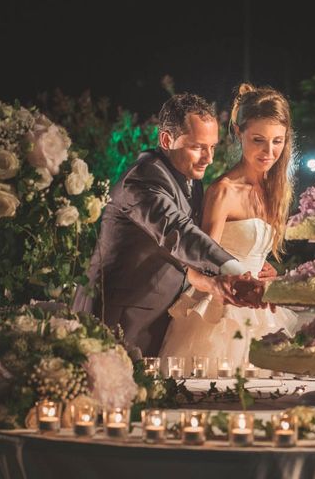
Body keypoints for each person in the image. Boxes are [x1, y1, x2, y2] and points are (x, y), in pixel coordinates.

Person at [73, 93, 268, 357]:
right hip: (117, 321)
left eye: (213, 147)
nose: (208, 158)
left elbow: (186, 252)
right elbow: (181, 234)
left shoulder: (191, 178)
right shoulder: (142, 180)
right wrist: (235, 268)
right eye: (198, 147)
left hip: (161, 321)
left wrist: (237, 271)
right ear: (166, 139)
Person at [159, 84, 298, 375]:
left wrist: (265, 267)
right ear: (238, 132)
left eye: (278, 141)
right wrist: (224, 282)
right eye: (258, 140)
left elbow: (251, 249)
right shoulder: (223, 192)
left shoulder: (276, 190)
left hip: (263, 310)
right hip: (222, 312)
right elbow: (195, 268)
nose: (269, 151)